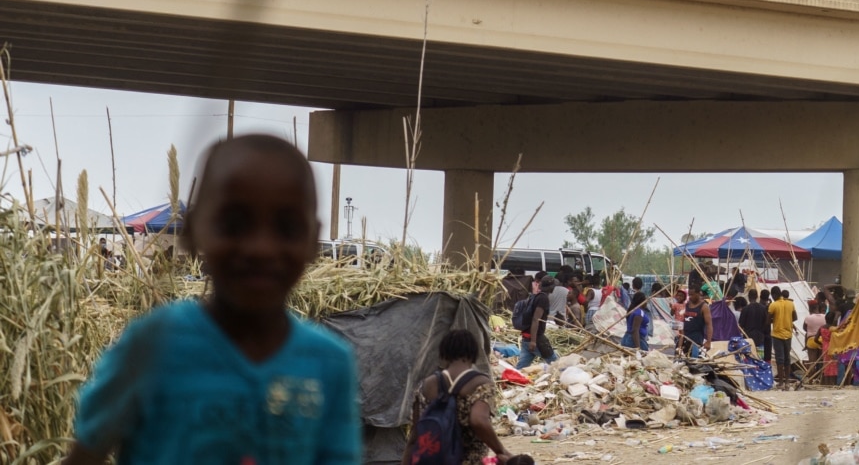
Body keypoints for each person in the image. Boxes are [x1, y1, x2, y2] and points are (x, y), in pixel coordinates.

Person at [63, 134, 361, 465]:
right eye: (234, 224)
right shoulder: (152, 346)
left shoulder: (330, 365)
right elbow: (85, 455)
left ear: (311, 241)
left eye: (287, 227)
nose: (260, 247)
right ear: (193, 231)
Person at [404, 329, 523, 465]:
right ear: (473, 353)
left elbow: (414, 437)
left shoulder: (426, 386)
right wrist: (501, 450)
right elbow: (478, 420)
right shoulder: (480, 383)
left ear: (444, 354)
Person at [517, 275, 559, 369]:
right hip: (536, 339)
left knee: (521, 366)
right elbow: (536, 319)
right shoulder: (543, 299)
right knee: (555, 363)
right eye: (553, 286)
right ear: (550, 287)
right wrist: (533, 341)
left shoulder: (535, 297)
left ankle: (512, 378)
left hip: (526, 338)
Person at [767, 288, 797, 382]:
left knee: (779, 358)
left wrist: (775, 319)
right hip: (788, 334)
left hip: (777, 335)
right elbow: (795, 317)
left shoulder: (773, 305)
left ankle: (781, 381)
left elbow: (768, 321)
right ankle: (787, 381)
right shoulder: (791, 304)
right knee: (787, 358)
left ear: (774, 294)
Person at [678, 288, 713, 358]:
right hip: (685, 337)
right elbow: (684, 321)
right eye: (689, 295)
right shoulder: (688, 305)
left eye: (692, 295)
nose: (690, 297)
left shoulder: (704, 307)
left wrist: (708, 341)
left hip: (696, 340)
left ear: (698, 294)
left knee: (694, 359)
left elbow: (709, 325)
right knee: (681, 359)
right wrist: (680, 343)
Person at [738, 289, 769, 358]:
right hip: (760, 337)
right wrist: (761, 330)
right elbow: (766, 322)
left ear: (749, 297)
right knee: (759, 358)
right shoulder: (763, 308)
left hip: (748, 337)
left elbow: (741, 325)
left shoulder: (745, 309)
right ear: (757, 296)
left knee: (749, 358)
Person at [759, 289, 773, 365]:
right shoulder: (769, 308)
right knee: (767, 355)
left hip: (759, 333)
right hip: (767, 333)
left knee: (759, 354)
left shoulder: (758, 306)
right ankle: (767, 369)